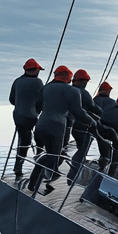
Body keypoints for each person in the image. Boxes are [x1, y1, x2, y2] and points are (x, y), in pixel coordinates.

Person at [27, 65, 96, 193]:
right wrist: (91, 122)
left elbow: (37, 106)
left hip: (41, 125)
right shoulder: (72, 91)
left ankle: (38, 180)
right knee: (53, 156)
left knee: (49, 154)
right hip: (56, 126)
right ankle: (42, 182)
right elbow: (78, 112)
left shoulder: (46, 88)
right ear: (69, 78)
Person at [67, 69, 112, 184]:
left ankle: (74, 168)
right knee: (83, 150)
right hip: (83, 126)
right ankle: (72, 175)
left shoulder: (69, 90)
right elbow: (93, 108)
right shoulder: (83, 93)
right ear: (82, 81)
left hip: (72, 126)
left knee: (80, 148)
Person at [9, 58, 44, 179]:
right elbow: (41, 101)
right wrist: (37, 110)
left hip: (18, 115)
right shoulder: (38, 82)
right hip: (31, 116)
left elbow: (11, 100)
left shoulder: (17, 81)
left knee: (22, 141)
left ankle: (18, 166)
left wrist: (21, 104)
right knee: (39, 140)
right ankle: (40, 165)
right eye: (38, 70)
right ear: (35, 70)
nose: (39, 72)